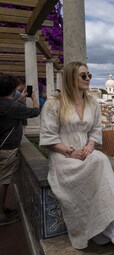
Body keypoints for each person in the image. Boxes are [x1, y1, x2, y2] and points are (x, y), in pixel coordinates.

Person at [39, 61, 114, 249]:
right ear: (71, 77)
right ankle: (107, 226)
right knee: (100, 163)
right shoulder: (53, 103)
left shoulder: (92, 103)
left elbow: (96, 130)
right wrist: (70, 152)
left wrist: (90, 144)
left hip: (85, 152)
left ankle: (110, 225)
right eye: (83, 75)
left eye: (89, 75)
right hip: (62, 156)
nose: (88, 78)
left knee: (100, 159)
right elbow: (49, 136)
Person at [0, 74, 40, 226]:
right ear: (12, 90)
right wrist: (34, 99)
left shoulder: (8, 105)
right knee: (4, 181)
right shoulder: (13, 107)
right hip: (8, 148)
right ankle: (1, 215)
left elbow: (9, 109)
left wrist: (20, 99)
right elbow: (35, 112)